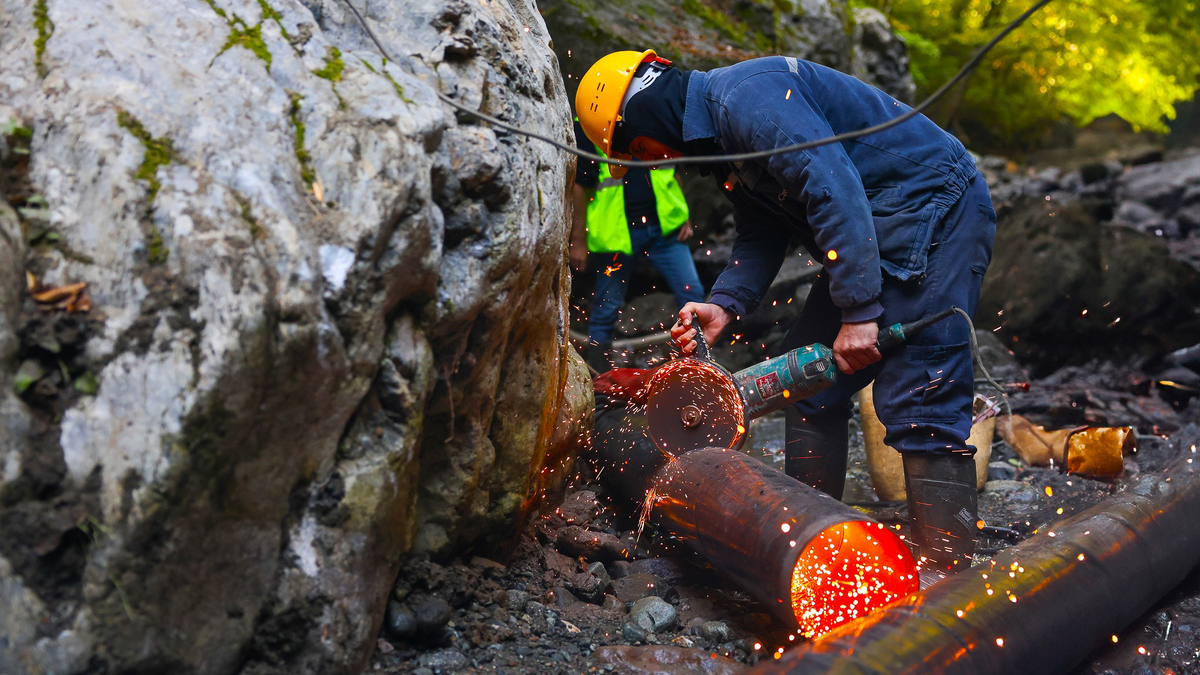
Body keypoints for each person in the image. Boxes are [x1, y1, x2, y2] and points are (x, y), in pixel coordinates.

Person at [575, 50, 996, 579]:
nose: (657, 162)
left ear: (643, 123)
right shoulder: (726, 139)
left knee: (921, 396)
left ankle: (948, 579)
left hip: (935, 211)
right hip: (876, 227)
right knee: (808, 384)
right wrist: (725, 302)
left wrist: (860, 313)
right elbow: (762, 232)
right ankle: (819, 550)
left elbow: (833, 187)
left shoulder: (747, 97)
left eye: (641, 152)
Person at [571, 118, 705, 373]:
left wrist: (682, 212)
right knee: (606, 309)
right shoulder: (591, 123)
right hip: (616, 235)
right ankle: (600, 382)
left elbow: (671, 168)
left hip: (664, 230)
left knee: (692, 293)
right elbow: (580, 184)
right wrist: (578, 240)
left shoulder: (649, 111)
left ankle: (699, 368)